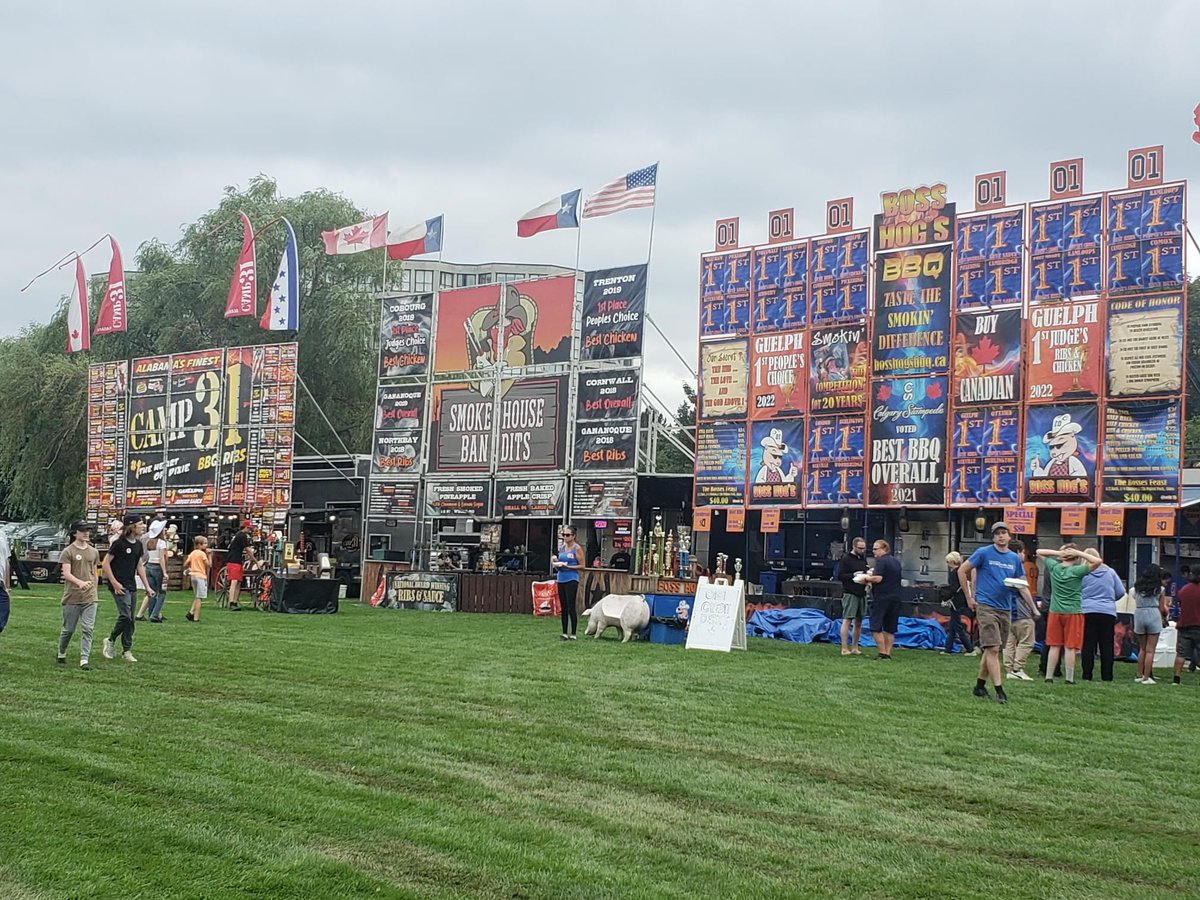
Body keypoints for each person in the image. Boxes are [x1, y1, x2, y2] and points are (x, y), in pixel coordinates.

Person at [959, 522, 1033, 703]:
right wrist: (969, 597)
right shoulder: (983, 553)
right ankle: (1000, 691)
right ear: (993, 537)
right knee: (992, 648)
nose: (1001, 536)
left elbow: (1022, 585)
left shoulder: (1014, 558)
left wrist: (1033, 607)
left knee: (992, 649)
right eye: (997, 533)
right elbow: (962, 570)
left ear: (1009, 536)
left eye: (1003, 533)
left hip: (1005, 608)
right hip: (986, 605)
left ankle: (979, 686)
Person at [1036, 544, 1102, 684]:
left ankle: (1049, 676)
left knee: (1054, 645)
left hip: (1055, 611)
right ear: (1076, 558)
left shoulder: (1054, 567)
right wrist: (1079, 552)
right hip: (1073, 612)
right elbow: (1098, 561)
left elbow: (1039, 551)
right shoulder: (1078, 571)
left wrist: (1059, 553)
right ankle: (1069, 678)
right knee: (1070, 647)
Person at [101, 514, 154, 663]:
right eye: (140, 524)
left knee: (131, 620)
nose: (143, 526)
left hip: (131, 584)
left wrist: (147, 587)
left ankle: (126, 650)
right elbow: (105, 563)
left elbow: (139, 566)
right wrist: (114, 583)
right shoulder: (118, 543)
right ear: (132, 526)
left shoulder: (138, 545)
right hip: (118, 584)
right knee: (125, 616)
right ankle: (110, 640)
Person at [57, 521, 100, 669]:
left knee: (88, 628)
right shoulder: (68, 551)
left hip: (90, 597)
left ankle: (84, 659)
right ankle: (61, 652)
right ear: (75, 533)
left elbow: (94, 572)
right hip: (72, 596)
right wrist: (80, 583)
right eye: (83, 530)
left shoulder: (94, 552)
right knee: (68, 630)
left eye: (88, 530)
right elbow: (66, 573)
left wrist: (94, 588)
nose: (86, 533)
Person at [1080, 558, 1125, 682]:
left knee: (1088, 644)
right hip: (1107, 611)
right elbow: (1121, 591)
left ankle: (1087, 675)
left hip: (1088, 610)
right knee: (1107, 645)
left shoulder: (1083, 573)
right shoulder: (1110, 572)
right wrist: (1109, 599)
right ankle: (1107, 676)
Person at [864, 539, 902, 660]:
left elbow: (878, 578)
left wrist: (865, 578)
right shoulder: (896, 562)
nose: (873, 551)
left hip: (882, 598)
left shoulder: (882, 561)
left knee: (876, 626)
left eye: (876, 549)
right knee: (890, 628)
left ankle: (882, 652)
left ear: (884, 549)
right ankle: (888, 653)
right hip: (895, 597)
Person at [1132, 565, 1169, 684]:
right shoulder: (1160, 589)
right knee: (1150, 650)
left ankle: (1139, 674)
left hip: (1139, 614)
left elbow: (1134, 597)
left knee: (1142, 648)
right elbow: (1162, 608)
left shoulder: (1136, 588)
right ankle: (1147, 677)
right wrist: (1164, 617)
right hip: (1153, 614)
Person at [136, 519, 172, 623]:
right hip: (157, 567)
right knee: (162, 592)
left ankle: (151, 612)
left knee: (152, 591)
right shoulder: (161, 543)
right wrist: (164, 572)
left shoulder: (150, 542)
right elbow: (161, 558)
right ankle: (155, 614)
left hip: (149, 566)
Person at [838, 537, 869, 656]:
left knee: (859, 621)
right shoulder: (846, 559)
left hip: (862, 592)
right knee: (847, 619)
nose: (862, 550)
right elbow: (840, 576)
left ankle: (855, 647)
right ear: (854, 546)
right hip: (850, 592)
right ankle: (844, 648)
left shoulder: (862, 559)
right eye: (860, 548)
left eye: (864, 548)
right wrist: (853, 575)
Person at [940, 551, 975, 656]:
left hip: (955, 602)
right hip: (960, 600)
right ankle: (948, 648)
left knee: (957, 626)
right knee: (953, 626)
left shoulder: (953, 573)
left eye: (948, 562)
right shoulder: (961, 571)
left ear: (951, 561)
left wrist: (946, 598)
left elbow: (953, 588)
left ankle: (970, 649)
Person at [553, 525, 583, 640]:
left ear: (573, 536)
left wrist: (569, 567)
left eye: (567, 535)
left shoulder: (577, 548)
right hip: (561, 577)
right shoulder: (562, 548)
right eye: (563, 535)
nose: (565, 537)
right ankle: (564, 632)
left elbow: (582, 566)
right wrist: (556, 563)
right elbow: (560, 562)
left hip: (571, 578)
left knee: (571, 606)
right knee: (563, 606)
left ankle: (573, 633)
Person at [1172, 570, 1200, 685]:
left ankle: (1176, 679)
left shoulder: (1184, 590)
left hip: (1185, 626)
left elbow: (1179, 604)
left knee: (1181, 654)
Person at [225, 520, 257, 611]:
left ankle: (234, 602)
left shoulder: (238, 535)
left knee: (238, 582)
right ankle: (231, 602)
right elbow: (247, 550)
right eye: (249, 528)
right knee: (234, 582)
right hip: (234, 560)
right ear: (245, 527)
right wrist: (255, 561)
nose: (250, 530)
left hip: (235, 560)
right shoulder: (242, 536)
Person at [185, 535, 211, 623]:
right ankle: (196, 618)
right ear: (199, 544)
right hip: (201, 576)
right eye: (205, 543)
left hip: (193, 575)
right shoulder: (202, 554)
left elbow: (186, 563)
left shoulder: (192, 553)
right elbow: (209, 564)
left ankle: (191, 612)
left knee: (197, 595)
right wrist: (209, 556)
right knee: (200, 597)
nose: (206, 545)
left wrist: (191, 567)